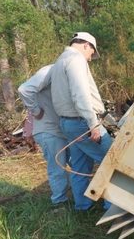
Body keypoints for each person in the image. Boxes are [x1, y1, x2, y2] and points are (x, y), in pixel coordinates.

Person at [49, 32, 113, 211]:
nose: (90, 58)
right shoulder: (76, 60)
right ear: (86, 45)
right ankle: (111, 207)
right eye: (92, 53)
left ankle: (83, 207)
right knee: (112, 161)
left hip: (68, 123)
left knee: (79, 164)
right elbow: (81, 96)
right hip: (82, 123)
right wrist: (93, 124)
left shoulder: (60, 61)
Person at [18, 65, 70, 207]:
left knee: (74, 163)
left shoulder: (66, 73)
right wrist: (35, 110)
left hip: (61, 129)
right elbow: (24, 90)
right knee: (57, 168)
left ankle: (77, 197)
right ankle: (59, 203)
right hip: (49, 130)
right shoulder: (50, 71)